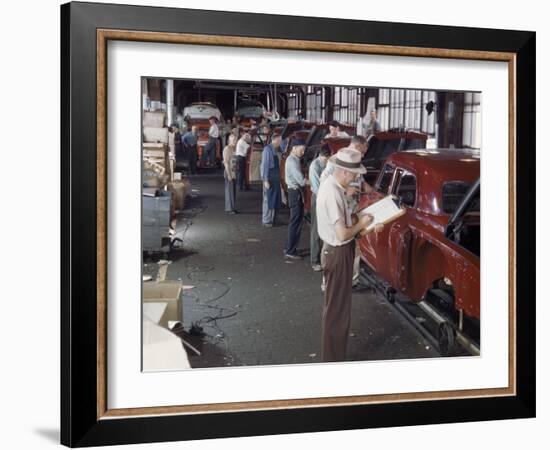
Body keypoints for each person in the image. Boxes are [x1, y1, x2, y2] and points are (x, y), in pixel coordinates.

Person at [316, 147, 383, 362]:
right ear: (344, 171)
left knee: (335, 309)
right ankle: (333, 362)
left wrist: (364, 223)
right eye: (355, 174)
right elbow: (343, 233)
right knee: (337, 312)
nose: (356, 179)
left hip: (334, 251)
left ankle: (333, 358)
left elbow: (346, 223)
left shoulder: (331, 186)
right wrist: (361, 223)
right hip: (338, 252)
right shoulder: (334, 193)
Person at [308, 145, 331, 271]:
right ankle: (314, 260)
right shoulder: (314, 166)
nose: (326, 162)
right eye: (325, 159)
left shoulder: (327, 163)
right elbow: (317, 188)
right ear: (321, 156)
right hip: (318, 198)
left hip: (326, 198)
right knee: (316, 230)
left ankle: (324, 258)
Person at [284, 139, 307, 261]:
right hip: (295, 192)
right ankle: (290, 251)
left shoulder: (294, 159)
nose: (302, 152)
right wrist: (311, 182)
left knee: (295, 222)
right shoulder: (292, 161)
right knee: (295, 222)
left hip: (294, 192)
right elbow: (301, 180)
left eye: (303, 150)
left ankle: (290, 247)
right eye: (301, 149)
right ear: (293, 148)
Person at [260, 132, 284, 227]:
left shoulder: (276, 149)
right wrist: (265, 180)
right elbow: (264, 165)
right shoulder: (267, 149)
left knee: (275, 199)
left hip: (275, 177)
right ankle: (266, 220)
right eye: (280, 140)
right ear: (276, 140)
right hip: (269, 177)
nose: (281, 142)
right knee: (268, 199)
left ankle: (273, 219)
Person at [223, 134, 238, 214]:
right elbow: (226, 162)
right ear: (229, 140)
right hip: (229, 172)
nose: (235, 141)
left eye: (236, 140)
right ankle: (229, 209)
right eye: (234, 140)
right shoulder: (227, 149)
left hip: (234, 172)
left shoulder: (233, 148)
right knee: (229, 191)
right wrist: (229, 174)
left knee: (233, 191)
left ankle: (232, 207)